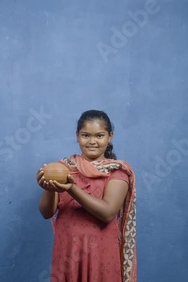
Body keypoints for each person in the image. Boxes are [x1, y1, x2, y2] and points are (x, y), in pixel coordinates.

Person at [36, 110, 137, 282]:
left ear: (110, 136)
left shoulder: (117, 172)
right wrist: (49, 188)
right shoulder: (64, 168)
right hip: (67, 250)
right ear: (77, 136)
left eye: (99, 135)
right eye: (85, 135)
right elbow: (46, 213)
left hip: (101, 251)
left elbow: (107, 213)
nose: (92, 141)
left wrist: (71, 188)